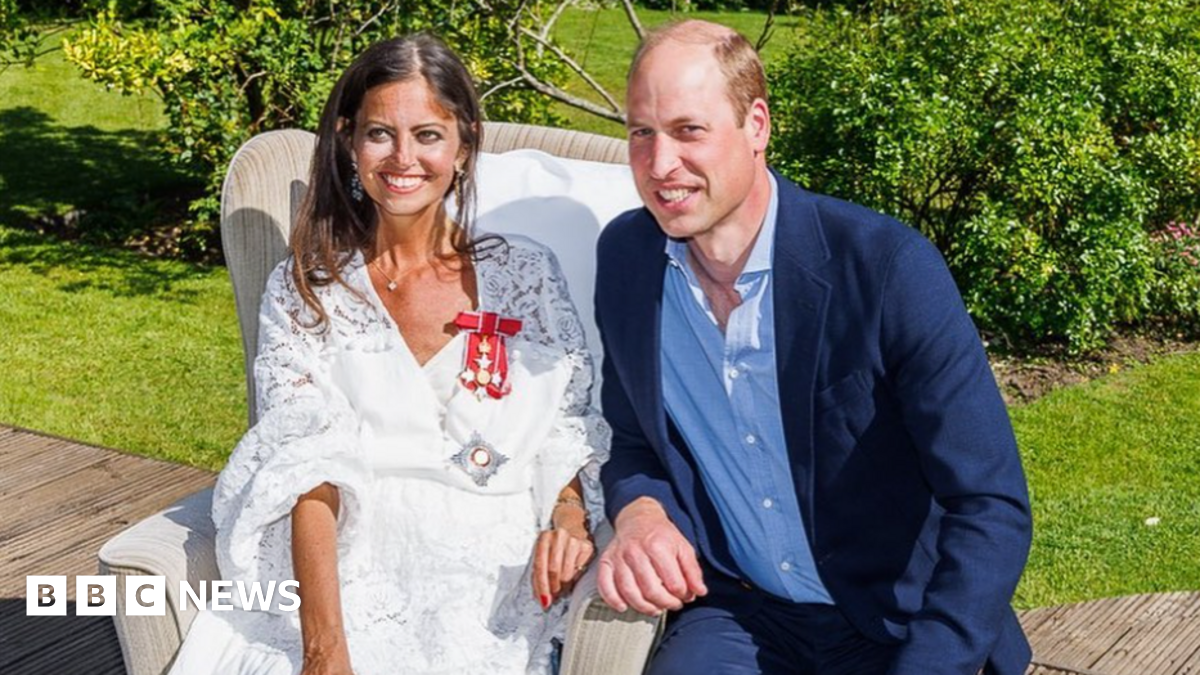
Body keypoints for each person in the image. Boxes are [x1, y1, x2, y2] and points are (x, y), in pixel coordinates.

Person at [594, 20, 1033, 675]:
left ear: (757, 126)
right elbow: (634, 440)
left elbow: (990, 503)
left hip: (899, 622)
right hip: (744, 615)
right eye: (641, 132)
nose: (659, 166)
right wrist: (642, 513)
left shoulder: (886, 269)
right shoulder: (628, 260)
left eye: (689, 130)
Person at [168, 34, 608, 675]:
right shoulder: (306, 291)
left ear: (464, 143)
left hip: (493, 575)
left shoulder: (527, 275)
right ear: (348, 141)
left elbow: (564, 422)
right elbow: (306, 471)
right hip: (352, 570)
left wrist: (570, 514)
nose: (404, 158)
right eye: (381, 134)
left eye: (428, 134)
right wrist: (326, 652)